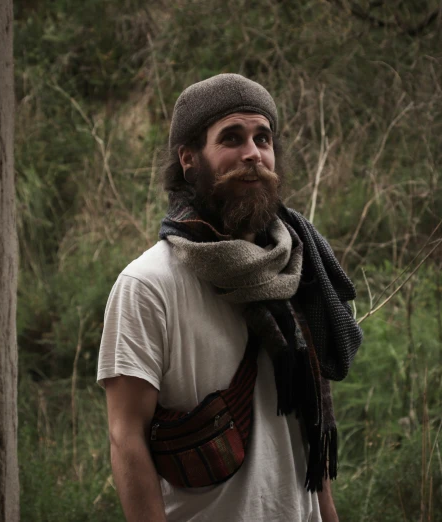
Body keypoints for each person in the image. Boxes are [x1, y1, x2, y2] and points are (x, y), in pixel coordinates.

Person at [97, 73, 363, 522]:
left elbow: (307, 434)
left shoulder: (297, 269)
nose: (253, 154)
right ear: (189, 159)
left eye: (263, 138)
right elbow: (126, 440)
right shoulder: (147, 286)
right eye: (232, 138)